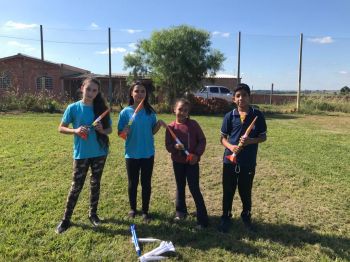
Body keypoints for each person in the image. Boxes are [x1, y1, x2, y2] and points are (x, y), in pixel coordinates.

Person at [56, 77, 112, 234]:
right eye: (88, 89)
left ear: (98, 92)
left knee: (95, 183)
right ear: (82, 88)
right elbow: (61, 128)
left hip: (100, 153)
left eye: (95, 90)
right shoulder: (73, 108)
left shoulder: (101, 108)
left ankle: (93, 215)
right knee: (76, 186)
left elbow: (109, 131)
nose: (91, 93)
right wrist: (76, 130)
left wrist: (102, 130)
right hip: (81, 154)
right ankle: (66, 220)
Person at [218, 83, 267, 233]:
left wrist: (250, 141)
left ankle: (246, 217)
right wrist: (231, 147)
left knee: (245, 191)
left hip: (248, 161)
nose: (241, 98)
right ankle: (226, 217)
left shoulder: (257, 115)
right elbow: (222, 138)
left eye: (244, 95)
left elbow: (263, 137)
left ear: (249, 97)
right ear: (234, 99)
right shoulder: (229, 116)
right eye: (238, 96)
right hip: (230, 160)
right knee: (228, 190)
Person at [118, 81, 163, 223]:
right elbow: (120, 133)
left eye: (143, 91)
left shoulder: (150, 113)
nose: (139, 94)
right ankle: (133, 208)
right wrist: (123, 131)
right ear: (132, 93)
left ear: (146, 94)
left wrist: (158, 124)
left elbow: (152, 131)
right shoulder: (125, 112)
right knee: (132, 183)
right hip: (131, 154)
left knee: (146, 183)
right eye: (137, 91)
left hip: (148, 153)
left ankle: (145, 211)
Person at [165, 98, 209, 229]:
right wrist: (175, 147)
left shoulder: (193, 125)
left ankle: (202, 219)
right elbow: (168, 145)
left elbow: (202, 140)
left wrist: (196, 154)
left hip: (192, 162)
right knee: (180, 186)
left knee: (194, 188)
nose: (182, 112)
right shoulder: (170, 127)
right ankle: (180, 212)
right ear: (174, 110)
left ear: (188, 112)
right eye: (180, 109)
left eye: (185, 110)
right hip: (178, 162)